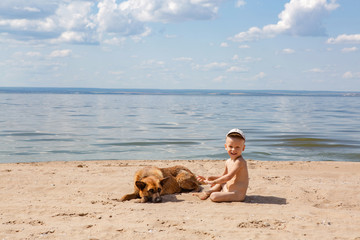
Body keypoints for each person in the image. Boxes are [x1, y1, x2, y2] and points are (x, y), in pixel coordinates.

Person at [193, 128, 249, 202]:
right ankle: (207, 192)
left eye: (237, 147)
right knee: (221, 182)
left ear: (243, 148)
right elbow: (224, 176)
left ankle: (214, 192)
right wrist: (210, 178)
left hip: (237, 194)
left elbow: (228, 177)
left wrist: (214, 182)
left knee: (213, 196)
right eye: (231, 146)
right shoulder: (228, 161)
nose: (233, 150)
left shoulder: (240, 162)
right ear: (226, 147)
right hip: (228, 189)